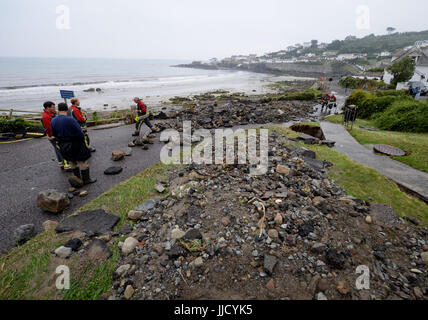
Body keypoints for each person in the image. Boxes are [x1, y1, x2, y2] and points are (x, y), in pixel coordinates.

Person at [51, 103, 97, 187]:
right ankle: (86, 180)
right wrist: (82, 141)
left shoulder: (53, 120)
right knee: (82, 162)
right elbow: (80, 133)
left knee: (72, 161)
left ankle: (77, 179)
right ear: (67, 109)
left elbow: (54, 133)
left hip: (63, 144)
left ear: (58, 109)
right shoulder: (70, 120)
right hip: (75, 143)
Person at [41, 101, 72, 171]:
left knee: (57, 150)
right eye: (53, 107)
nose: (54, 108)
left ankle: (61, 164)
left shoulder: (49, 114)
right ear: (48, 108)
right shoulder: (46, 116)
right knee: (62, 150)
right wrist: (56, 137)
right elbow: (49, 128)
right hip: (54, 136)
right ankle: (67, 166)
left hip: (53, 136)